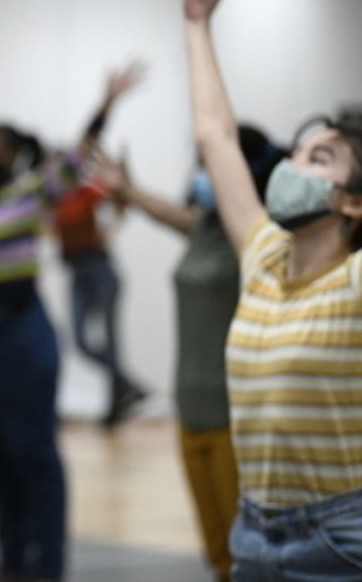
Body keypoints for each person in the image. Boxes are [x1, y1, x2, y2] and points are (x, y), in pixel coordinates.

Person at [0, 64, 142, 582]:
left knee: (33, 455)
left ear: (15, 155)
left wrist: (106, 102)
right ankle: (12, 555)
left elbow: (80, 154)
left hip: (23, 342)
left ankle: (47, 563)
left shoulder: (36, 191)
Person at [180, 0, 362, 581]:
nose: (293, 165)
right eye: (295, 152)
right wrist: (197, 24)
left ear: (352, 202)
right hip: (254, 533)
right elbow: (216, 136)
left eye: (321, 158)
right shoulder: (262, 256)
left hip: (343, 536)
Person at [96, 127, 282, 582]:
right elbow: (165, 212)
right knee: (216, 550)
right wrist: (128, 189)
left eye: (211, 163)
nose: (202, 173)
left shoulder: (258, 240)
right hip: (190, 408)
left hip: (235, 415)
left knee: (248, 554)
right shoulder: (203, 227)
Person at [52, 167, 147, 427]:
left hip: (99, 267)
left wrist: (110, 227)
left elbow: (121, 201)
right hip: (76, 271)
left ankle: (116, 402)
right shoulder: (52, 199)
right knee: (81, 340)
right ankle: (128, 385)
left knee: (110, 340)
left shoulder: (87, 192)